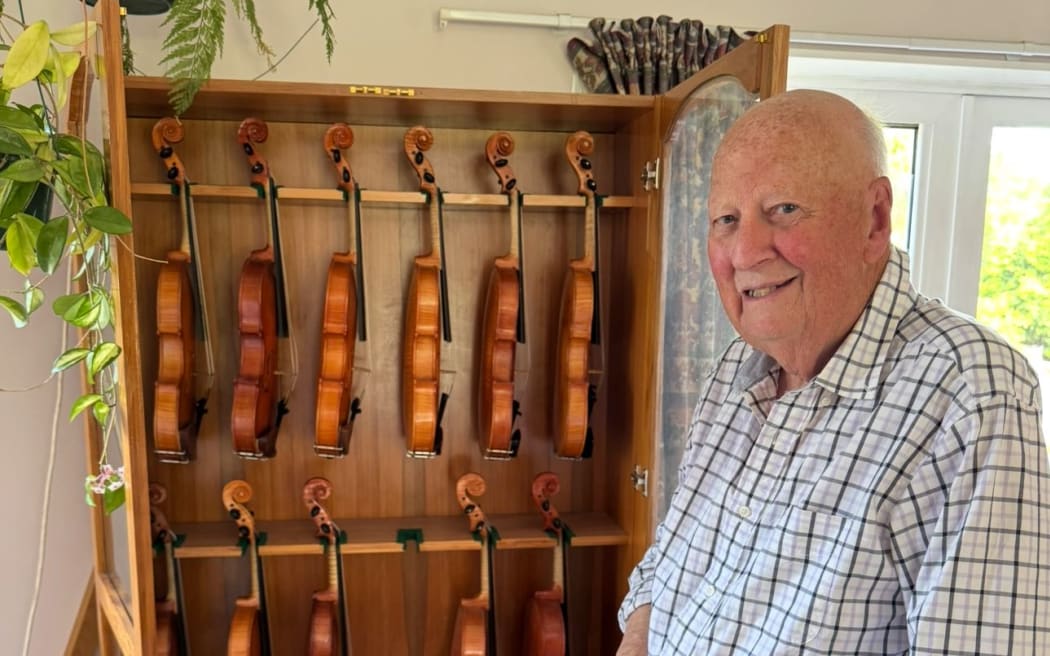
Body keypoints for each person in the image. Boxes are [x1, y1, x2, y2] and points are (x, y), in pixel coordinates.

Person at [617, 89, 1049, 655]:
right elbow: (671, 563)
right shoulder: (734, 370)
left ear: (874, 218)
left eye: (784, 210)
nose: (745, 251)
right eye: (726, 218)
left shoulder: (969, 389)